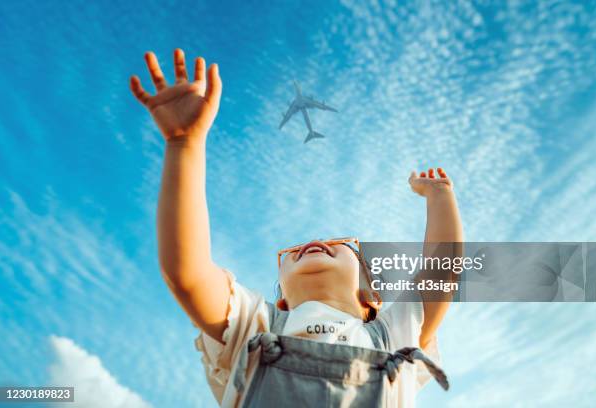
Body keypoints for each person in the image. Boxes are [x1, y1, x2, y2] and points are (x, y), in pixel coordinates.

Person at [130, 48, 463, 407]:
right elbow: (188, 272)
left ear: (370, 299)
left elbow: (440, 274)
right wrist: (184, 143)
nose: (314, 243)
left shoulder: (389, 333)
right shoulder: (258, 325)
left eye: (340, 245)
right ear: (283, 301)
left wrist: (439, 195)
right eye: (290, 254)